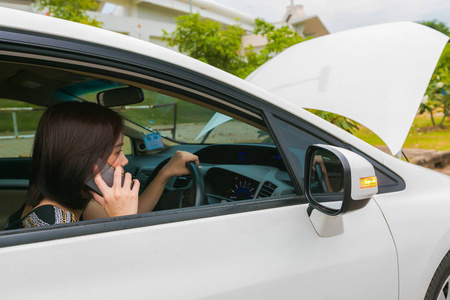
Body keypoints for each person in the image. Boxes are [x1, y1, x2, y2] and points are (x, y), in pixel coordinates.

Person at [4, 101, 199, 229]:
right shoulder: (52, 221)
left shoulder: (74, 196)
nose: (124, 161)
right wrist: (122, 224)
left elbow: (133, 213)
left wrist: (164, 173)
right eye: (117, 152)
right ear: (82, 159)